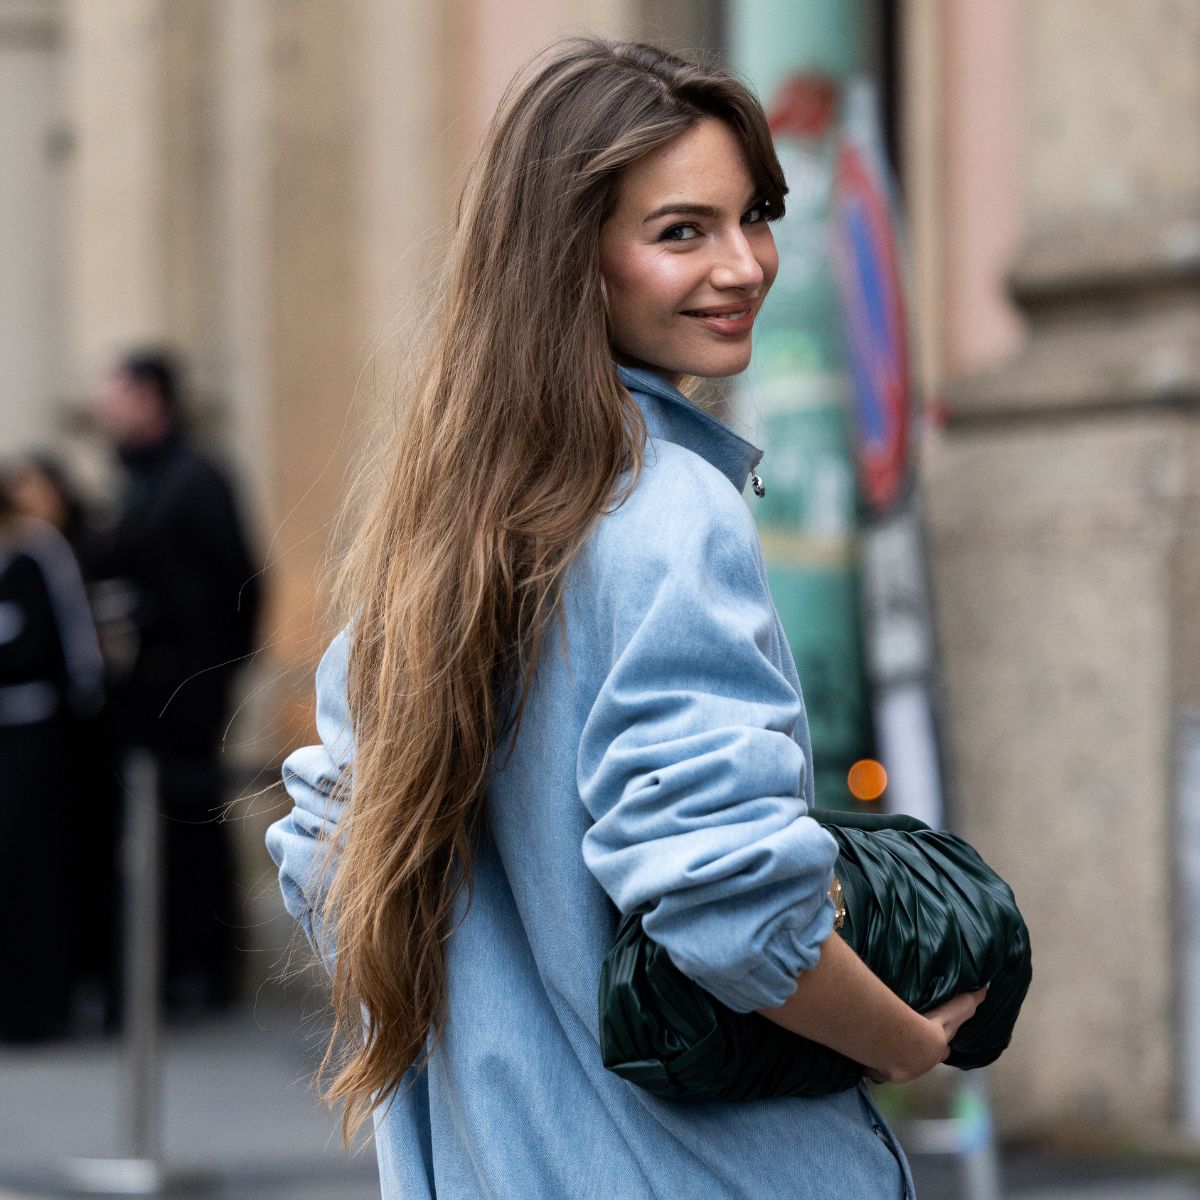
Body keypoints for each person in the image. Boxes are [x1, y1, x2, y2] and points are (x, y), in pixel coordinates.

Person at [266, 39, 982, 1198]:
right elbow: (728, 900)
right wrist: (906, 1042)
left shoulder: (443, 527)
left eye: (755, 215)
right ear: (573, 260)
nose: (746, 263)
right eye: (681, 232)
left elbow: (328, 859)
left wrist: (506, 1015)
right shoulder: (667, 515)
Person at [92, 349, 262, 1015]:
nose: (104, 408)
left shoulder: (196, 477)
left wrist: (217, 675)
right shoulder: (138, 477)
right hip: (147, 689)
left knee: (193, 825)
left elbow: (244, 582)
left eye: (114, 393)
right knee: (154, 830)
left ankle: (204, 971)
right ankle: (164, 970)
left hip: (188, 689)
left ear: (149, 396)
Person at [0, 474, 106, 1040]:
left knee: (32, 869)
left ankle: (41, 1005)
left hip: (36, 731)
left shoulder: (39, 550)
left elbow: (75, 646)